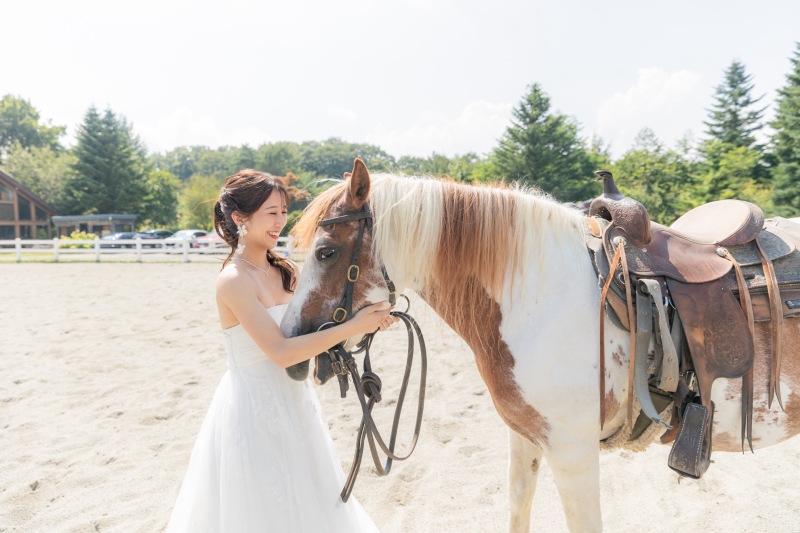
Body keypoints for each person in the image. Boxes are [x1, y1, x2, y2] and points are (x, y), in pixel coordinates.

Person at [166, 169, 395, 532]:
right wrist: (354, 326)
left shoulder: (285, 271)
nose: (280, 222)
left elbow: (313, 341)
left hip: (296, 403)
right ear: (241, 218)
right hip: (252, 410)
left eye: (284, 211)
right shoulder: (233, 281)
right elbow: (281, 352)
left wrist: (366, 323)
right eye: (271, 212)